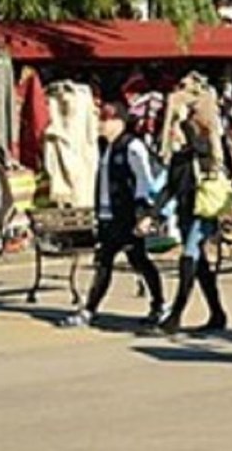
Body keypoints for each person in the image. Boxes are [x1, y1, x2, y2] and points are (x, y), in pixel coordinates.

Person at [60, 102, 166, 331]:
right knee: (103, 263)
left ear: (119, 121)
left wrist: (145, 214)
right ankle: (90, 310)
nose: (100, 125)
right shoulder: (104, 147)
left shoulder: (132, 146)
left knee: (139, 261)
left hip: (127, 216)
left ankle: (159, 305)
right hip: (108, 216)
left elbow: (145, 181)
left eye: (105, 120)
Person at [153, 104, 229, 334]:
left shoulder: (208, 148)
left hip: (203, 212)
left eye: (179, 129)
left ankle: (175, 316)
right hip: (186, 212)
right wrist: (153, 212)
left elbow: (205, 151)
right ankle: (217, 312)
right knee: (201, 266)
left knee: (188, 258)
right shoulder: (180, 157)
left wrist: (185, 121)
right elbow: (170, 187)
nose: (174, 133)